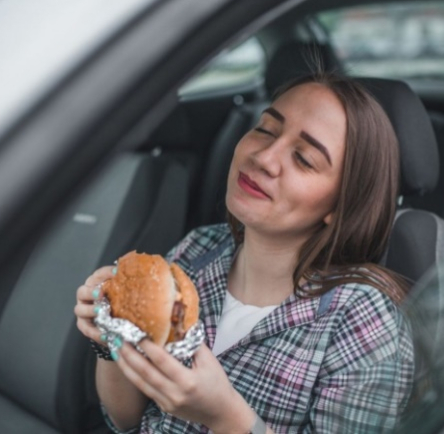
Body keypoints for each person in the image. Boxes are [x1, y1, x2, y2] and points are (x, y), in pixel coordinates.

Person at [74, 73, 414, 433]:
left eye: (304, 158)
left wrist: (226, 418)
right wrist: (107, 340)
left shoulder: (362, 321)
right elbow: (126, 421)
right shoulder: (197, 250)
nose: (264, 157)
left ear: (342, 205)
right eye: (266, 129)